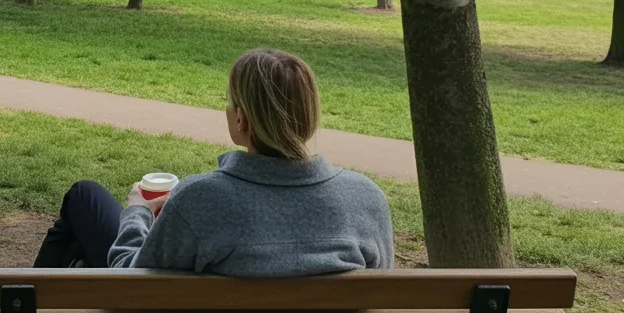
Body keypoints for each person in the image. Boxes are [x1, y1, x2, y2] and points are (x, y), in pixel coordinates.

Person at [33, 48, 394, 274]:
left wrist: (137, 212)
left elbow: (130, 281)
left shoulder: (199, 201)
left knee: (85, 196)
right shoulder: (367, 199)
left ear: (242, 121)